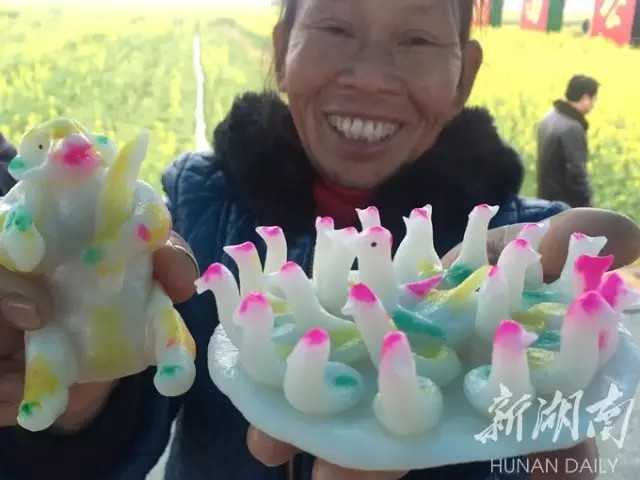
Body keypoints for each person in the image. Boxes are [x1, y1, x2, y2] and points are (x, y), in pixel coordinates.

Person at [0, 1, 638, 479]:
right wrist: (77, 402)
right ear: (282, 50)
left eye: (417, 38)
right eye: (335, 27)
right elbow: (137, 408)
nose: (372, 76)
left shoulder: (525, 264)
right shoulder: (193, 213)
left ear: (464, 76)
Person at [536, 74, 600, 208]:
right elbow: (576, 173)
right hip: (565, 203)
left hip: (545, 198)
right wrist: (589, 205)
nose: (594, 105)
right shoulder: (572, 128)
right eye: (594, 100)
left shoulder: (549, 117)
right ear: (585, 98)